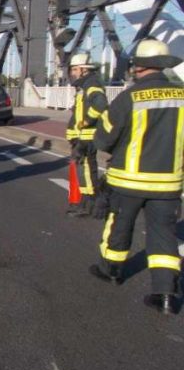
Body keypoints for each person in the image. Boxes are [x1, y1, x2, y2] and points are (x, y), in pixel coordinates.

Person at [89, 38, 184, 315]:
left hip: (128, 181)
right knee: (163, 236)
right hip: (168, 183)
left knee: (119, 227)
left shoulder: (129, 97)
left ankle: (112, 271)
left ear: (139, 68)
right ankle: (165, 294)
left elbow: (104, 139)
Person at [65, 52, 108, 217]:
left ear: (83, 69)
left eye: (75, 69)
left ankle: (91, 204)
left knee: (88, 172)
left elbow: (101, 104)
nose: (72, 73)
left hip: (87, 138)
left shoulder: (92, 84)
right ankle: (85, 202)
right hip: (81, 138)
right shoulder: (85, 86)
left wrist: (86, 121)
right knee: (84, 171)